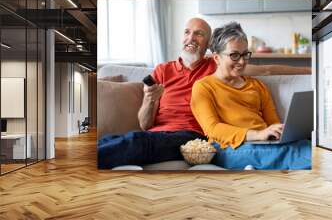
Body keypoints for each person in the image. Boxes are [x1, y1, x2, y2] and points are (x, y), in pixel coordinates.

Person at [97, 18, 310, 169]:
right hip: (174, 135)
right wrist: (149, 99)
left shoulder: (225, 70)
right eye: (187, 32)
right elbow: (145, 124)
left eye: (199, 33)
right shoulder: (170, 72)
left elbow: (267, 71)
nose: (191, 37)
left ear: (209, 47)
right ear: (218, 57)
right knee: (131, 139)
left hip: (191, 135)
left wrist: (314, 68)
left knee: (304, 147)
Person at [190, 22, 311, 170]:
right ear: (217, 58)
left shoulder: (258, 86)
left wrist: (278, 132)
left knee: (307, 146)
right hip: (227, 148)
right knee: (298, 153)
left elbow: (273, 122)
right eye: (234, 55)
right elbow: (213, 129)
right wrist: (257, 134)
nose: (242, 62)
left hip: (263, 143)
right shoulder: (203, 87)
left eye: (245, 54)